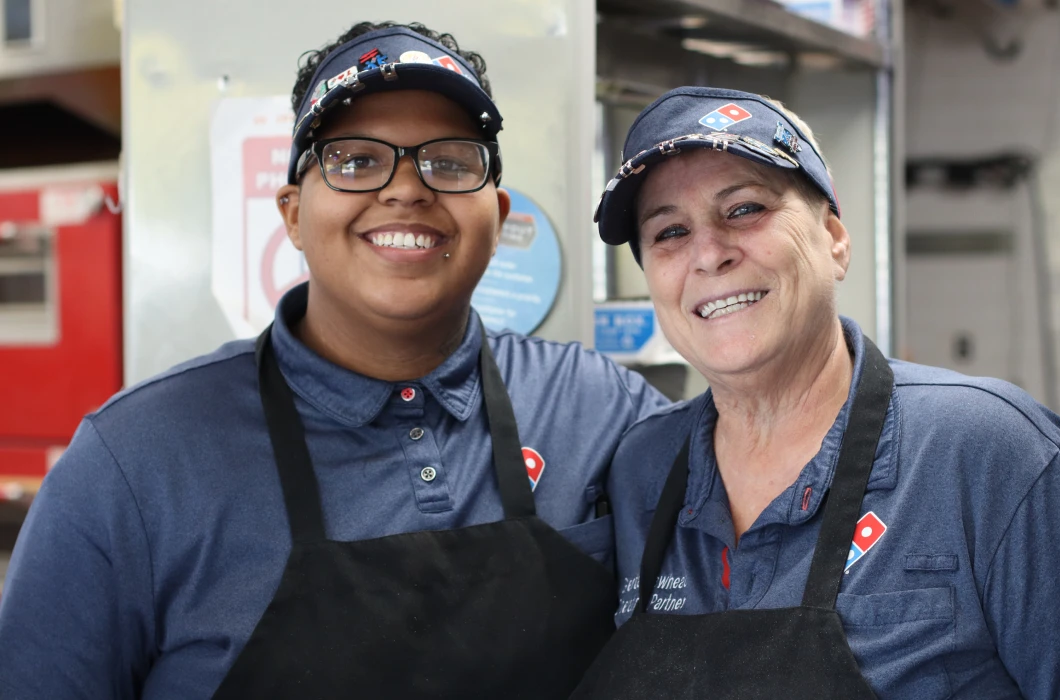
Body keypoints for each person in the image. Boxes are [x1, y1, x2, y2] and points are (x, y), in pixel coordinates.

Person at [0, 22, 669, 699]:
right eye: (354, 161)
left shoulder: (598, 407)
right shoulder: (134, 461)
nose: (407, 188)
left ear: (496, 216)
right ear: (292, 213)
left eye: (450, 160)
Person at [571, 86, 1060, 699]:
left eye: (745, 209)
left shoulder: (990, 456)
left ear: (835, 240)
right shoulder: (644, 469)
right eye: (669, 233)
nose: (708, 254)